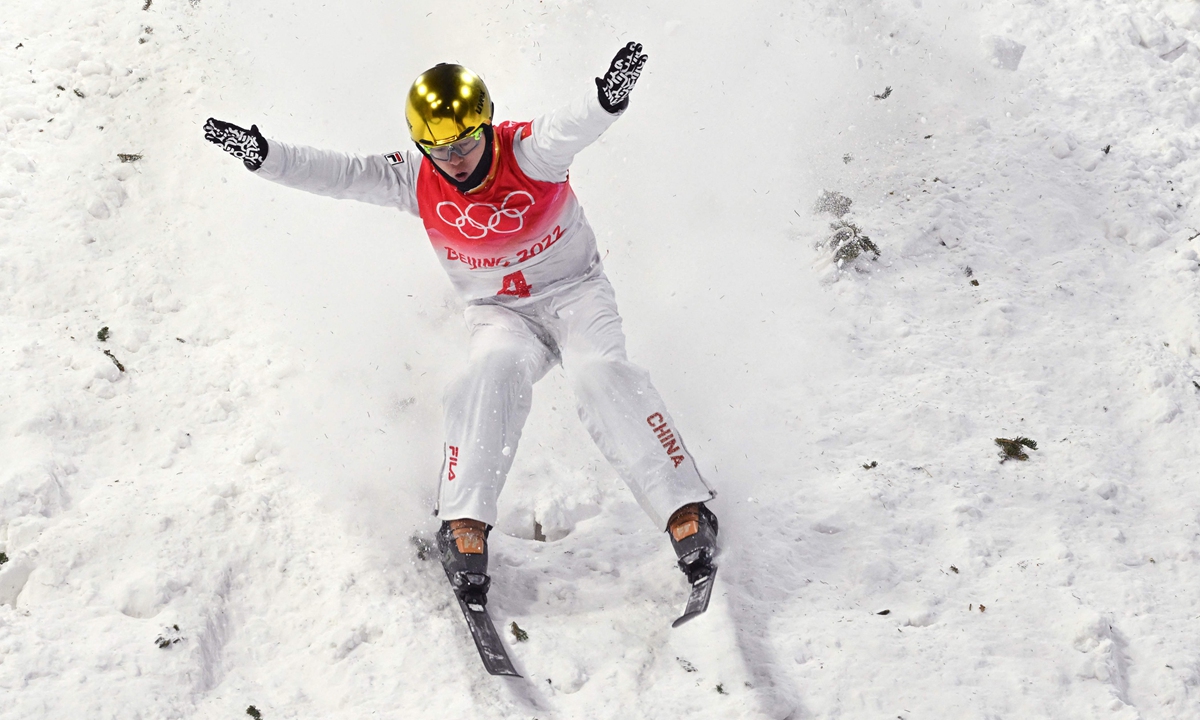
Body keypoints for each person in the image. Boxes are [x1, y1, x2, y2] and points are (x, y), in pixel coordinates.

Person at [203, 43, 718, 606]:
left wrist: (607, 99)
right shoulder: (415, 178)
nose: (456, 159)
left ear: (488, 125)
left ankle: (683, 506)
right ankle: (463, 521)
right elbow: (340, 174)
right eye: (439, 148)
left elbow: (573, 127)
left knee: (599, 370)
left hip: (575, 295)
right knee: (488, 374)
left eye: (468, 142)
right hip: (500, 314)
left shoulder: (527, 153)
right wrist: (262, 154)